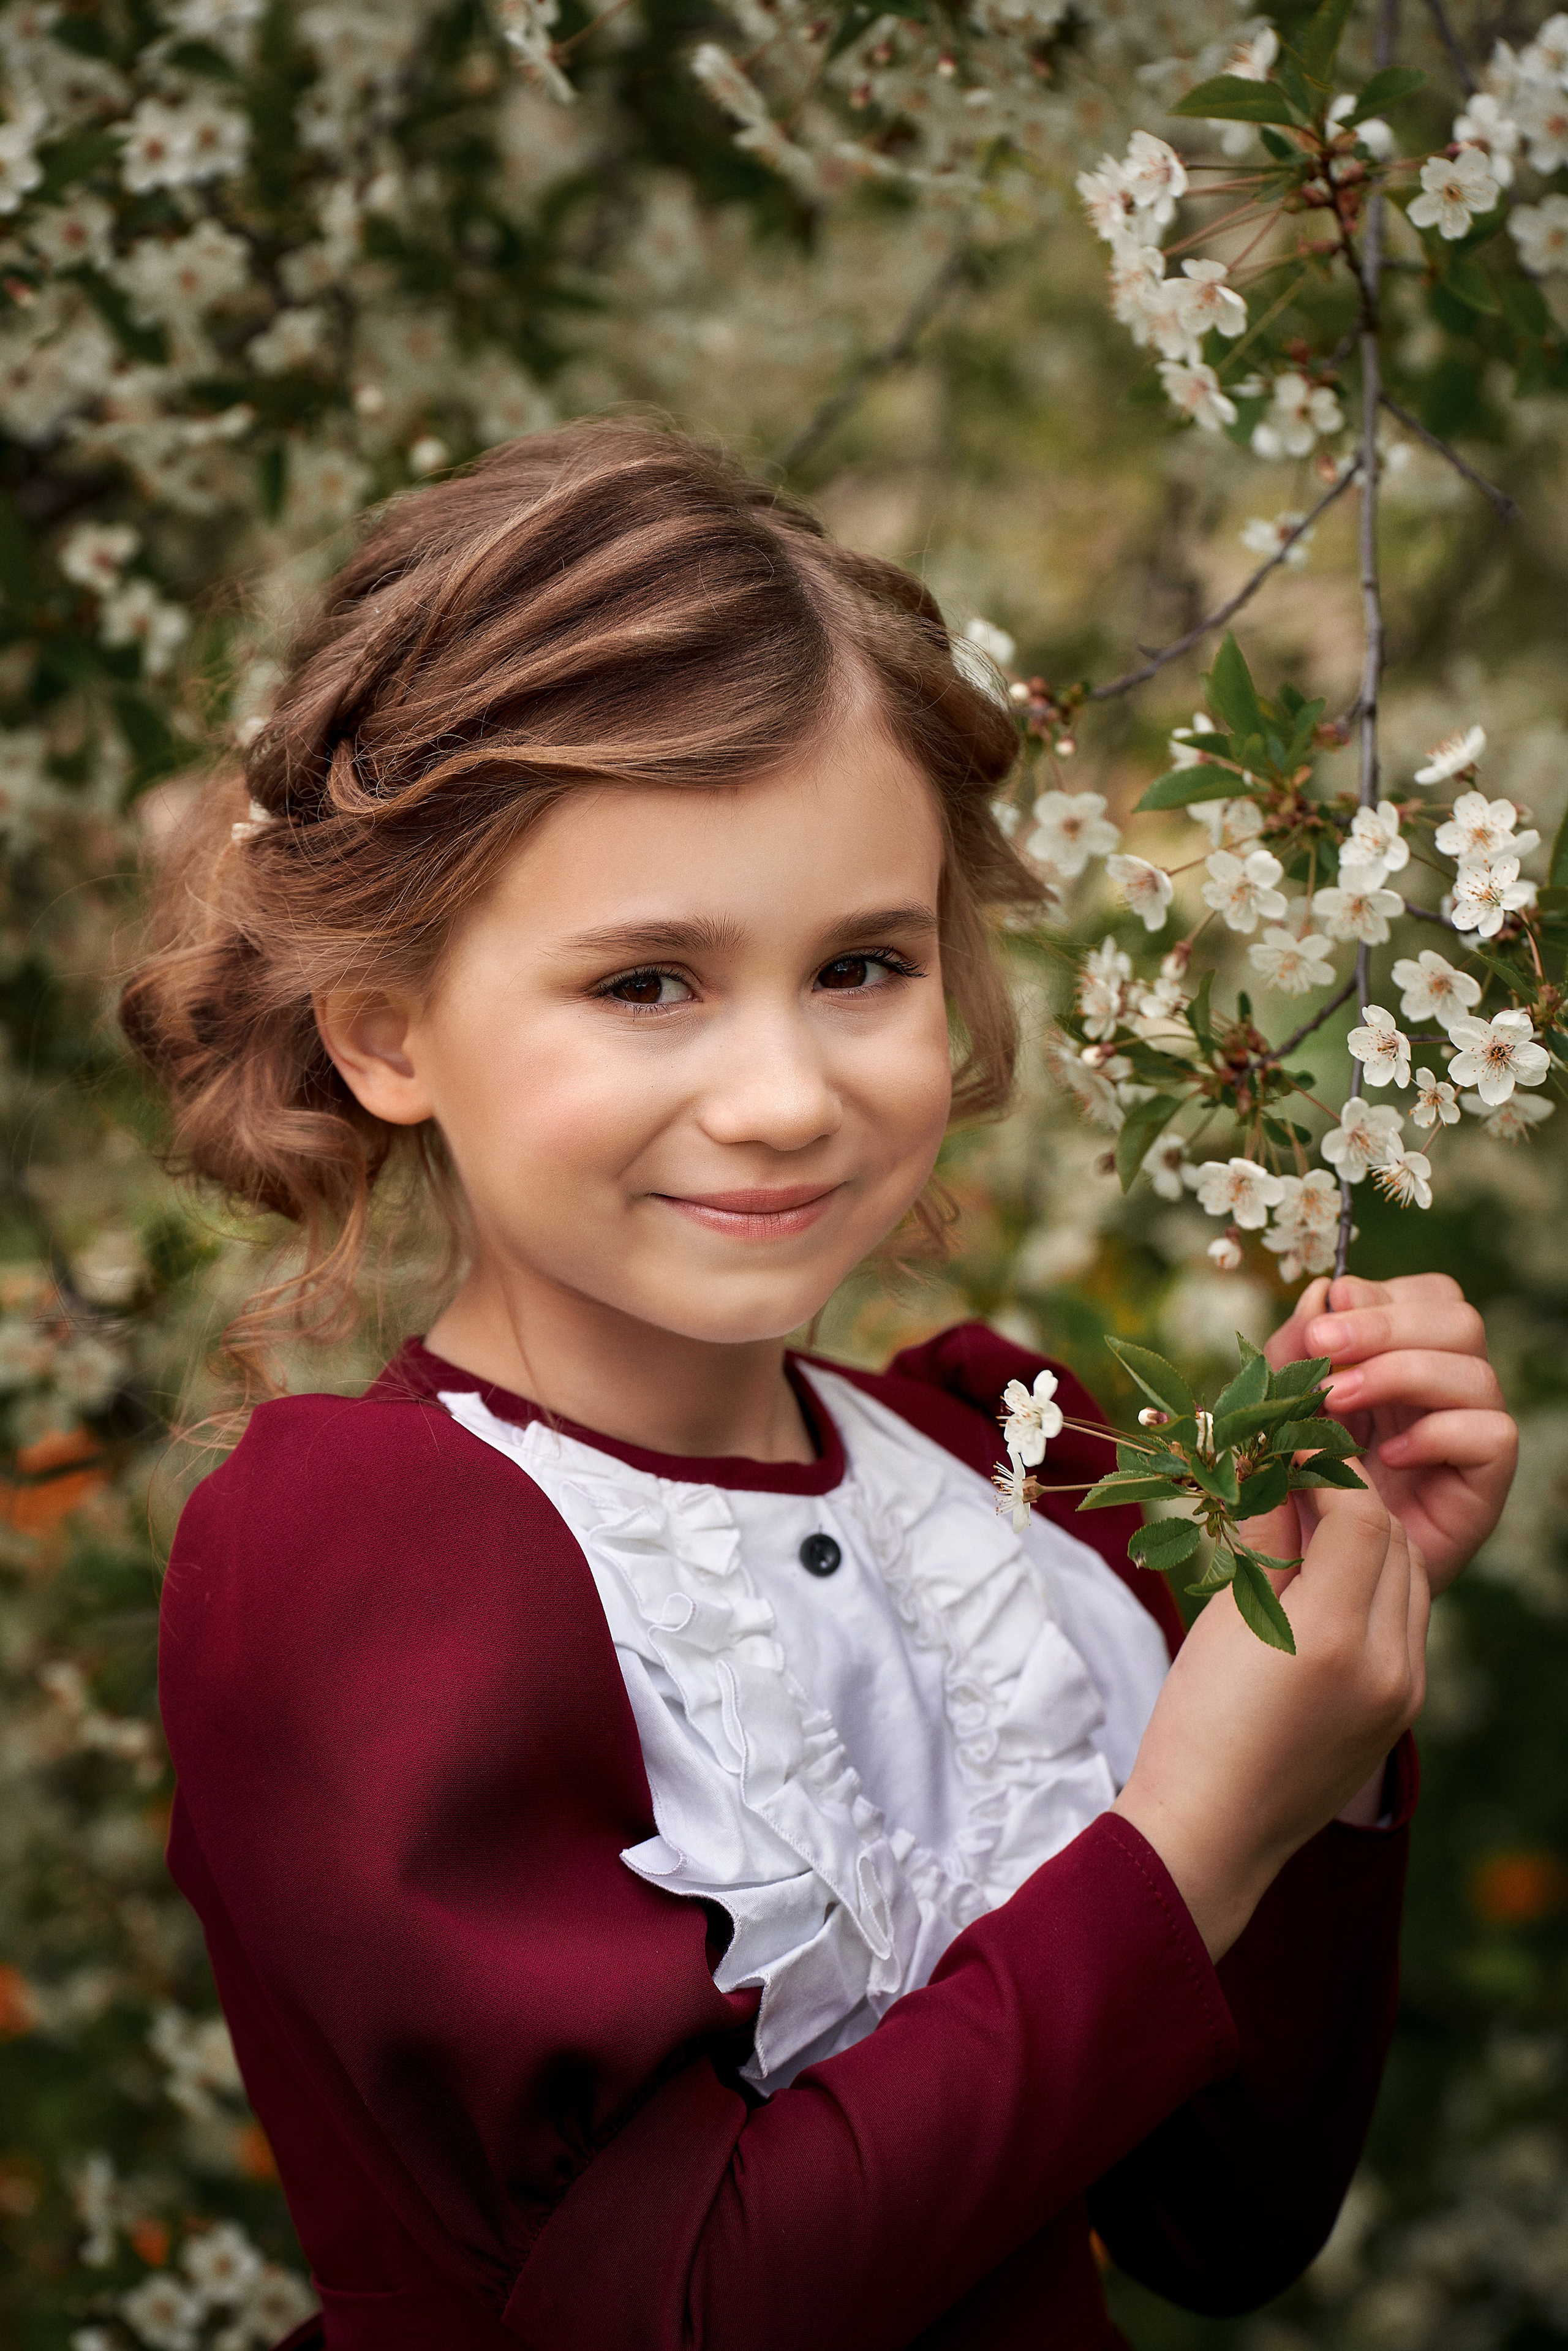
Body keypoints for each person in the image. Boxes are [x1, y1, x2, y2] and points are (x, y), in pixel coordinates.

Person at [126, 419, 1518, 2351]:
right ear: (385, 1034)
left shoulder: (1004, 1471)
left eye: (862, 962)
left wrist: (1322, 1723)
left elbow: (1227, 2220)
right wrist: (1185, 1837)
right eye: (648, 983)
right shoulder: (378, 1549)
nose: (784, 1096)